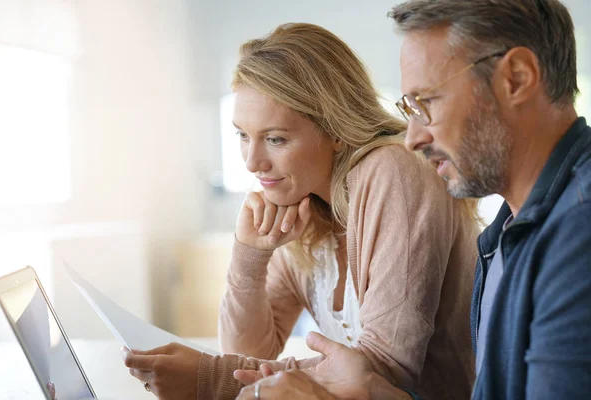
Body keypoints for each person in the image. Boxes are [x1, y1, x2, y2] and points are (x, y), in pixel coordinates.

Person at [240, 0, 591, 399]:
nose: (413, 137)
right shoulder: (508, 232)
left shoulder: (579, 231)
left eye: (426, 102)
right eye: (409, 108)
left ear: (516, 77)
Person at [123, 22, 481, 399]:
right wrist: (249, 255)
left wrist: (211, 379)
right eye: (243, 136)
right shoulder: (303, 205)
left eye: (276, 139)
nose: (252, 162)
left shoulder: (394, 170)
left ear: (338, 129)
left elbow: (387, 369)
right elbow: (248, 352)